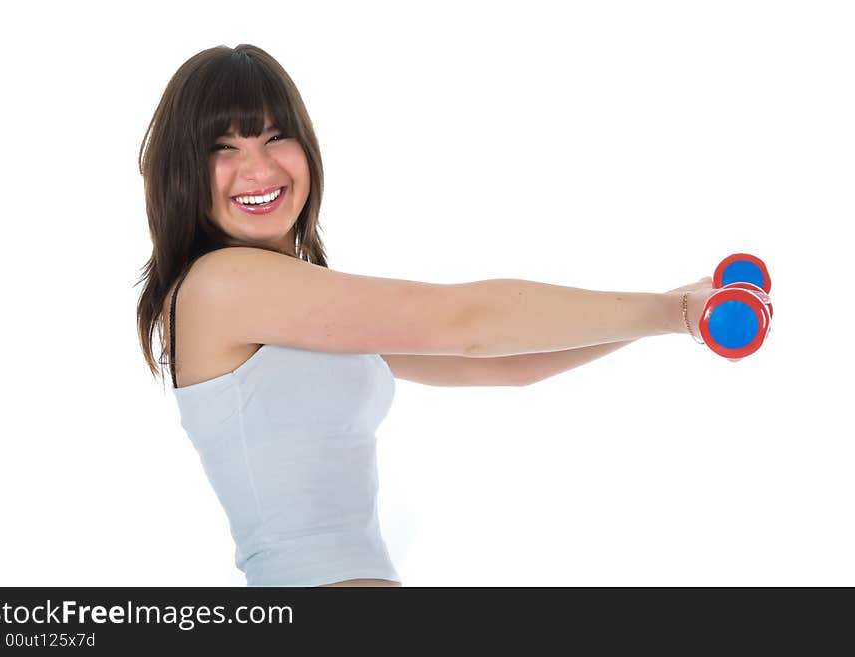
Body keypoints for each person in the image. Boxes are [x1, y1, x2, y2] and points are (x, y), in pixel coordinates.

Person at [135, 44, 718, 587]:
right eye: (223, 148)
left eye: (275, 137)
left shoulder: (291, 304)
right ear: (182, 171)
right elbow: (466, 323)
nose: (259, 169)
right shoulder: (222, 283)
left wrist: (672, 315)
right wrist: (676, 308)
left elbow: (503, 366)